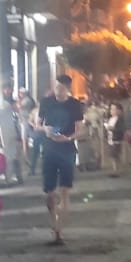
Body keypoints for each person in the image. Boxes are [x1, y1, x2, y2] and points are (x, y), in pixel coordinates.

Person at [38, 74, 84, 246]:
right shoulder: (46, 102)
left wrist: (69, 138)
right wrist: (46, 130)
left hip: (67, 150)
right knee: (49, 192)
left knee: (65, 190)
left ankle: (59, 230)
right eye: (56, 86)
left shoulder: (75, 105)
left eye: (62, 88)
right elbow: (37, 123)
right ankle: (54, 221)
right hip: (49, 149)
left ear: (68, 88)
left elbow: (80, 129)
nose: (58, 90)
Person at [0, 85, 23, 184]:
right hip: (8, 130)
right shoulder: (4, 103)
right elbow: (17, 110)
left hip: (6, 130)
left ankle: (11, 176)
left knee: (10, 154)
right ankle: (12, 176)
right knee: (11, 154)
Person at [104, 101, 125, 176]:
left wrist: (112, 129)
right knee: (113, 155)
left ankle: (116, 170)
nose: (112, 111)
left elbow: (121, 129)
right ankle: (116, 168)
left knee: (114, 155)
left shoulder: (120, 119)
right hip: (110, 139)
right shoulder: (111, 119)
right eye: (111, 109)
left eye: (114, 109)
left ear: (119, 110)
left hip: (116, 140)